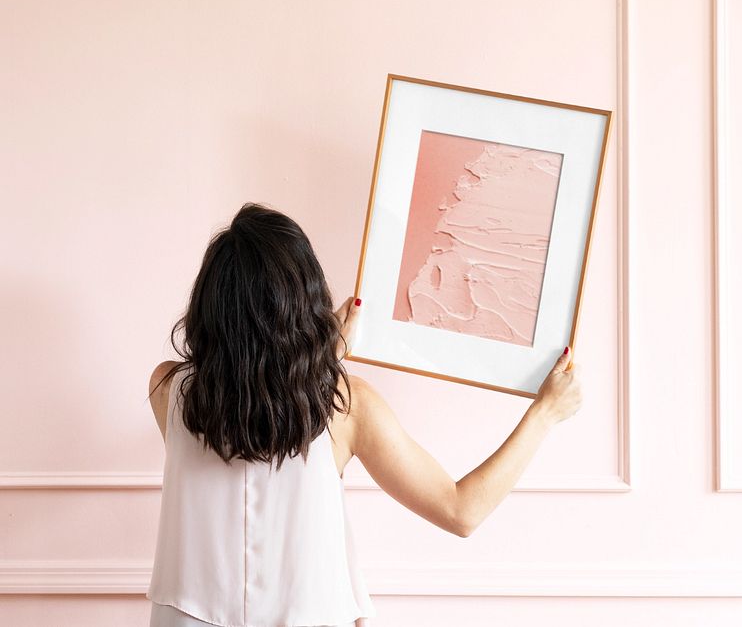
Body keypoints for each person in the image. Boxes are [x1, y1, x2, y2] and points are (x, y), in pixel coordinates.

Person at [144, 202, 583, 627]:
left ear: (208, 306)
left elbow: (250, 419)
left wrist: (322, 360)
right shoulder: (348, 408)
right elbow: (460, 510)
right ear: (304, 304)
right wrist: (543, 414)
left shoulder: (166, 390)